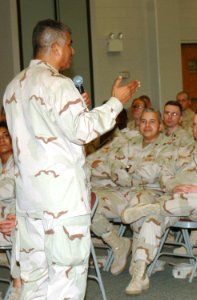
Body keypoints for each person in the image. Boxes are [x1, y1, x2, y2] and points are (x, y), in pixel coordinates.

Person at [2, 19, 140, 299]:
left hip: (30, 202)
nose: (73, 51)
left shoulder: (13, 86)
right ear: (55, 47)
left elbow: (47, 132)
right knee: (65, 283)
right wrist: (116, 102)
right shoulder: (58, 84)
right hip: (61, 203)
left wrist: (78, 110)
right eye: (70, 44)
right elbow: (83, 132)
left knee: (34, 282)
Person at [120, 110, 197, 294]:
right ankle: (140, 274)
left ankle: (152, 207)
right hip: (173, 203)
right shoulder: (182, 151)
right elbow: (165, 173)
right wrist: (173, 186)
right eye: (194, 124)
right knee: (153, 219)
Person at [90, 108, 171, 276]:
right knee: (86, 201)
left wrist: (125, 170)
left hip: (151, 193)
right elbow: (113, 166)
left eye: (152, 121)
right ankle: (118, 244)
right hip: (123, 191)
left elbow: (150, 174)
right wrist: (127, 173)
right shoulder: (129, 144)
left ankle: (139, 261)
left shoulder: (168, 146)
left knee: (140, 207)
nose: (147, 125)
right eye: (143, 121)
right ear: (138, 124)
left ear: (160, 125)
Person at [0, 122, 21, 300]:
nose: (2, 140)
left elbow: (12, 190)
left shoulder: (22, 162)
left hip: (15, 216)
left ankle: (17, 287)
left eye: (5, 135)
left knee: (20, 227)